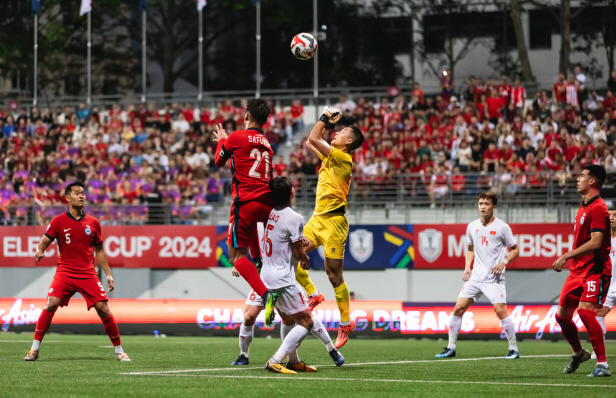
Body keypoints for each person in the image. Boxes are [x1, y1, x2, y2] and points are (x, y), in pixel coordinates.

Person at [24, 182, 129, 361]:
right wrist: (40, 250)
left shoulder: (94, 223)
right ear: (67, 198)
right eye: (77, 193)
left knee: (103, 309)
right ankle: (34, 349)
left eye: (83, 193)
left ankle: (119, 351)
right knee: (51, 304)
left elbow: (100, 251)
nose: (81, 196)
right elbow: (44, 241)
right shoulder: (58, 221)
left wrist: (109, 274)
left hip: (87, 273)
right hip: (65, 271)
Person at [294, 107, 364, 349]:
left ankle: (346, 322)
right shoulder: (332, 156)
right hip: (317, 220)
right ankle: (313, 294)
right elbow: (310, 142)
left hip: (335, 223)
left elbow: (314, 138)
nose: (337, 133)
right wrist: (329, 126)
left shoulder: (343, 158)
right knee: (293, 252)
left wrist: (324, 119)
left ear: (350, 141)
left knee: (333, 275)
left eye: (342, 131)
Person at [260, 177, 344, 374]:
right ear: (291, 194)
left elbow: (284, 241)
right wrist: (305, 257)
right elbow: (298, 253)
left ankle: (295, 361)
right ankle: (275, 360)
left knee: (290, 320)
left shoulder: (269, 214)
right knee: (306, 321)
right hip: (283, 279)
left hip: (266, 277)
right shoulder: (295, 217)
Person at [213, 99, 278, 325]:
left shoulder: (236, 137)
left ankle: (266, 294)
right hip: (267, 202)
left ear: (246, 116)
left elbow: (218, 161)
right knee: (250, 232)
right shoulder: (267, 144)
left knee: (235, 257)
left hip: (246, 202)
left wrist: (222, 140)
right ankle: (258, 260)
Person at [435, 192, 520, 360]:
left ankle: (513, 349)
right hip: (476, 277)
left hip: (494, 278)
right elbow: (470, 248)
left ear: (493, 207)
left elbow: (515, 250)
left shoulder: (503, 227)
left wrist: (504, 262)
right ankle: (451, 348)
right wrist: (467, 267)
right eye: (480, 203)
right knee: (458, 308)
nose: (482, 206)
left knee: (500, 311)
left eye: (486, 204)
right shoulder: (472, 226)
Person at [552, 165, 612, 377]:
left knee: (585, 312)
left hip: (595, 270)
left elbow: (596, 242)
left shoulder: (598, 208)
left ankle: (603, 365)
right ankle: (578, 353)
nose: (578, 179)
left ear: (592, 182)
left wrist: (567, 255)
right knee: (562, 316)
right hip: (577, 271)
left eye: (582, 176)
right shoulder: (583, 207)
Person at [592, 209, 616, 359]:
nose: (612, 218)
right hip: (609, 287)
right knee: (598, 314)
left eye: (615, 216)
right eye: (610, 216)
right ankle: (598, 350)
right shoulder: (603, 240)